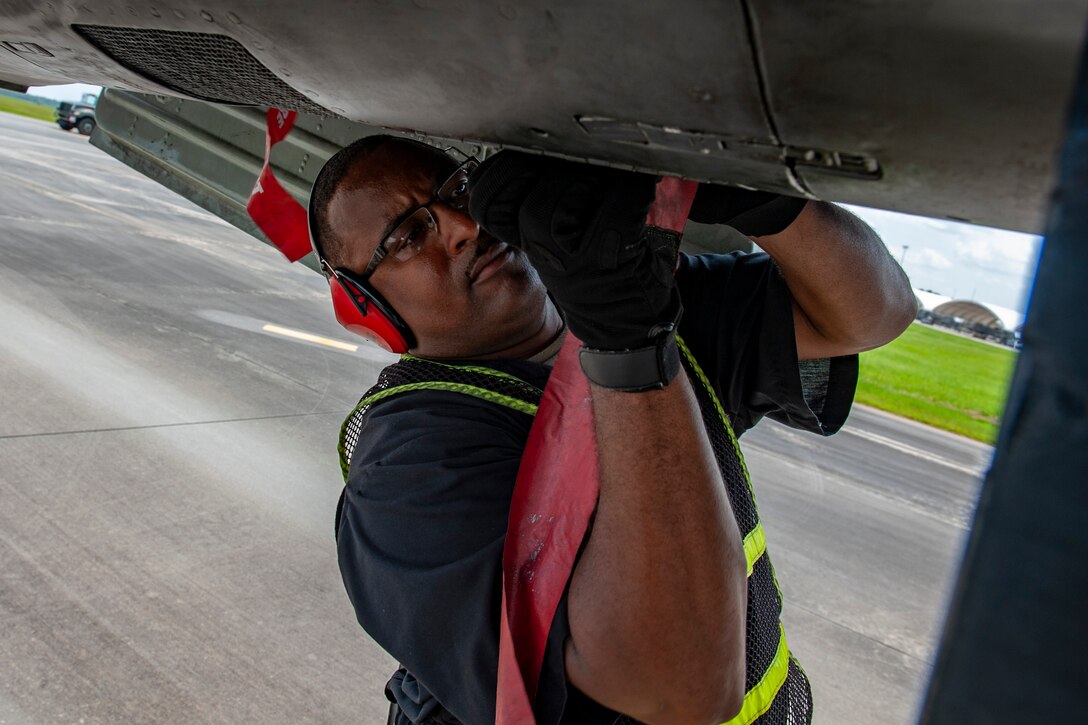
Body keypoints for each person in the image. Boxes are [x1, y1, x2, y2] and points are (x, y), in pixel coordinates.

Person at [307, 135, 916, 725]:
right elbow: (681, 692)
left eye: (459, 188)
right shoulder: (408, 472)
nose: (464, 226)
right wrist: (630, 346)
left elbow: (876, 313)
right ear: (368, 310)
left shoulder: (630, 297)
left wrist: (765, 205)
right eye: (410, 236)